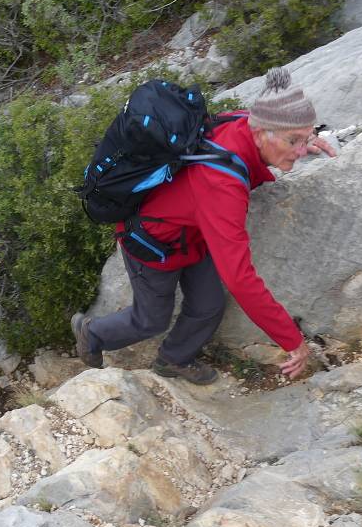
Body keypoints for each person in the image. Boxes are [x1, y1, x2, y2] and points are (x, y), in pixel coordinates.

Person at [72, 67, 337, 384]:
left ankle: (173, 358)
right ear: (260, 132)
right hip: (152, 242)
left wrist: (310, 139)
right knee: (151, 319)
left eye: (303, 139)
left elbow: (264, 145)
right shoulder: (222, 187)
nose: (299, 149)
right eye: (293, 140)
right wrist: (291, 340)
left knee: (209, 305)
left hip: (193, 235)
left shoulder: (243, 122)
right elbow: (240, 279)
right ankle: (91, 333)